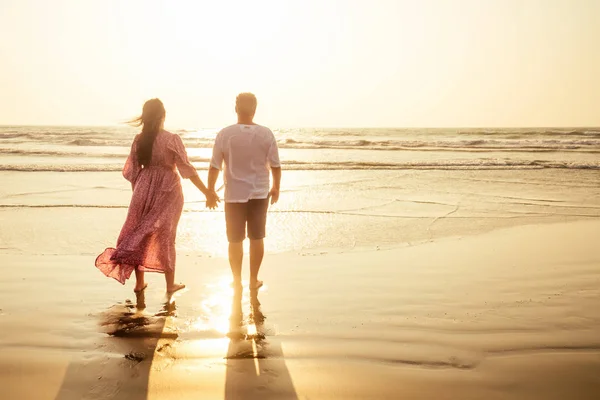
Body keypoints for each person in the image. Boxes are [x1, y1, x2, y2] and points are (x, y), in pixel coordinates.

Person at [96, 98, 219, 293]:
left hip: (143, 187)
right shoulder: (171, 139)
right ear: (163, 115)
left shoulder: (140, 139)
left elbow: (132, 171)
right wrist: (207, 193)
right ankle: (170, 285)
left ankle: (139, 284)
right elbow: (186, 169)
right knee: (166, 234)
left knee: (139, 232)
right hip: (168, 189)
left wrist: (139, 193)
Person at [208, 93, 281, 290]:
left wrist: (210, 191)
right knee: (257, 237)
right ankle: (253, 279)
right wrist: (276, 187)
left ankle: (237, 280)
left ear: (236, 109)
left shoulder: (225, 133)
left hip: (233, 194)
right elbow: (275, 165)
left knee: (235, 239)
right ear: (255, 109)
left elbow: (215, 165)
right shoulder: (266, 133)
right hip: (259, 192)